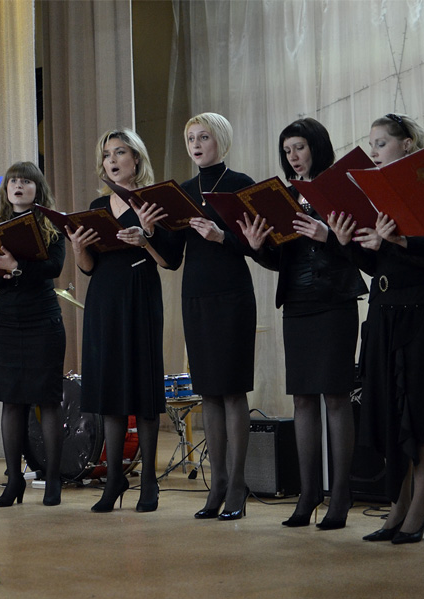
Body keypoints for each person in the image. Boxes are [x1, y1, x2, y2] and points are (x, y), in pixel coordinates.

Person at [239, 117, 367, 530]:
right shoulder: (286, 195)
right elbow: (282, 259)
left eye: (299, 148)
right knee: (303, 399)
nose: (293, 157)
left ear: (316, 146)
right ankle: (308, 493)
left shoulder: (339, 189)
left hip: (334, 302)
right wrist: (257, 249)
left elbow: (362, 251)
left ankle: (341, 494)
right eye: (287, 151)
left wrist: (326, 234)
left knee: (336, 397)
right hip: (296, 305)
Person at [328, 114, 424, 544]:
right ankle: (397, 507)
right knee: (388, 414)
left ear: (407, 144)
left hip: (422, 314)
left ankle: (419, 510)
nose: (373, 151)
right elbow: (377, 266)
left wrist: (399, 242)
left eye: (381, 143)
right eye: (370, 144)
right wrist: (348, 243)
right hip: (384, 312)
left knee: (421, 416)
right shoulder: (375, 193)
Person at [66, 128, 178, 513]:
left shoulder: (153, 202)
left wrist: (147, 237)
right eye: (106, 155)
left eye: (119, 152)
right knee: (109, 391)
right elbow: (88, 267)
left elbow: (170, 260)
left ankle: (149, 481)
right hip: (104, 298)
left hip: (140, 294)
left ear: (136, 159)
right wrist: (78, 248)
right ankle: (114, 478)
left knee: (143, 390)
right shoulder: (98, 205)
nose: (111, 160)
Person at [169, 113, 257, 520]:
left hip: (232, 294)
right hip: (196, 295)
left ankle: (238, 484)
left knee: (233, 390)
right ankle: (217, 482)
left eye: (203, 137)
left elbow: (258, 245)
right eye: (191, 138)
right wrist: (150, 232)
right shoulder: (183, 192)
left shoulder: (240, 184)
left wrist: (222, 236)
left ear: (220, 139)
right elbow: (171, 256)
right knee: (208, 391)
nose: (196, 144)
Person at [0, 161, 67, 506]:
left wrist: (15, 267)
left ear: (37, 189)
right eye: (13, 181)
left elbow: (54, 267)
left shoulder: (51, 224)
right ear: (6, 190)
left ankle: (53, 478)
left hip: (42, 320)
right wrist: (0, 270)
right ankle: (14, 480)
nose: (18, 185)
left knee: (48, 400)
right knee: (11, 401)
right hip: (7, 323)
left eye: (26, 181)